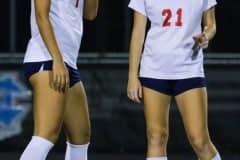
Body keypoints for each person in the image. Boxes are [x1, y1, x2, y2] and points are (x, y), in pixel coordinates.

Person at [127, 0, 221, 160]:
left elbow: (211, 24)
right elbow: (138, 32)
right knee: (156, 137)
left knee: (199, 141)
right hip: (154, 68)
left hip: (188, 68)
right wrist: (132, 76)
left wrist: (206, 35)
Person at [20, 0, 98, 159]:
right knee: (45, 136)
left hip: (68, 61)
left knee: (81, 136)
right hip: (47, 58)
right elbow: (41, 15)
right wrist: (57, 59)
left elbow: (90, 14)